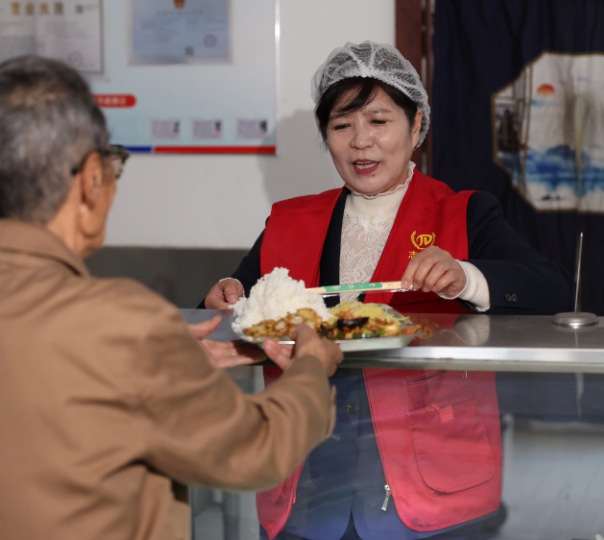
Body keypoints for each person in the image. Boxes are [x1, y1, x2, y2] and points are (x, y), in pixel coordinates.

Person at [0, 55, 345, 540]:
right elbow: (256, 450)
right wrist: (311, 366)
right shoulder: (124, 326)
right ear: (92, 178)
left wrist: (169, 366)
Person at [202, 42, 572, 540]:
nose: (361, 142)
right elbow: (233, 298)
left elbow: (550, 289)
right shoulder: (289, 221)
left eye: (379, 121)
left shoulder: (464, 213)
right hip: (308, 488)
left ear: (416, 126)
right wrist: (227, 292)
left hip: (434, 489)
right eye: (342, 125)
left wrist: (467, 276)